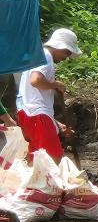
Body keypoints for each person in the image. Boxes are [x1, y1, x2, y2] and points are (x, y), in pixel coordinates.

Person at [17, 28, 82, 165]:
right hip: (36, 114)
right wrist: (55, 84)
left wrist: (56, 124)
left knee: (37, 159)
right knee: (53, 157)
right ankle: (47, 186)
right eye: (67, 52)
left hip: (28, 113)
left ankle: (34, 185)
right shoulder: (46, 55)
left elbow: (33, 95)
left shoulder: (37, 55)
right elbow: (35, 80)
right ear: (60, 46)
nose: (66, 57)